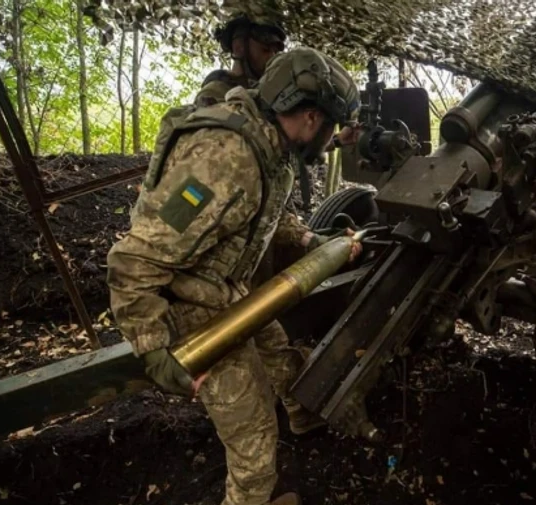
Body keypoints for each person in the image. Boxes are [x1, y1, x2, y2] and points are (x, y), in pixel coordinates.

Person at [106, 47, 362, 505]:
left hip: (224, 289)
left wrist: (309, 241)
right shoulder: (226, 159)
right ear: (309, 117)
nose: (330, 140)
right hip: (191, 311)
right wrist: (154, 350)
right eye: (330, 128)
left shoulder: (267, 145)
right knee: (255, 443)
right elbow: (133, 261)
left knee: (280, 354)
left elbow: (259, 214)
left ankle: (303, 416)